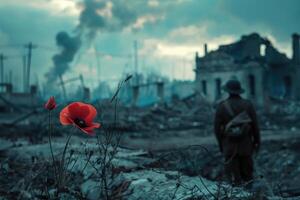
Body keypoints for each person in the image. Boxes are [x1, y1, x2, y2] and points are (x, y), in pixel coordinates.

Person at [214, 79, 260, 186]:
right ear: (239, 91)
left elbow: (216, 129)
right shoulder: (248, 105)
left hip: (229, 147)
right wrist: (257, 142)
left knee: (234, 182)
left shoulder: (222, 106)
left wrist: (221, 145)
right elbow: (255, 127)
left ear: (228, 91)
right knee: (248, 179)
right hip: (246, 147)